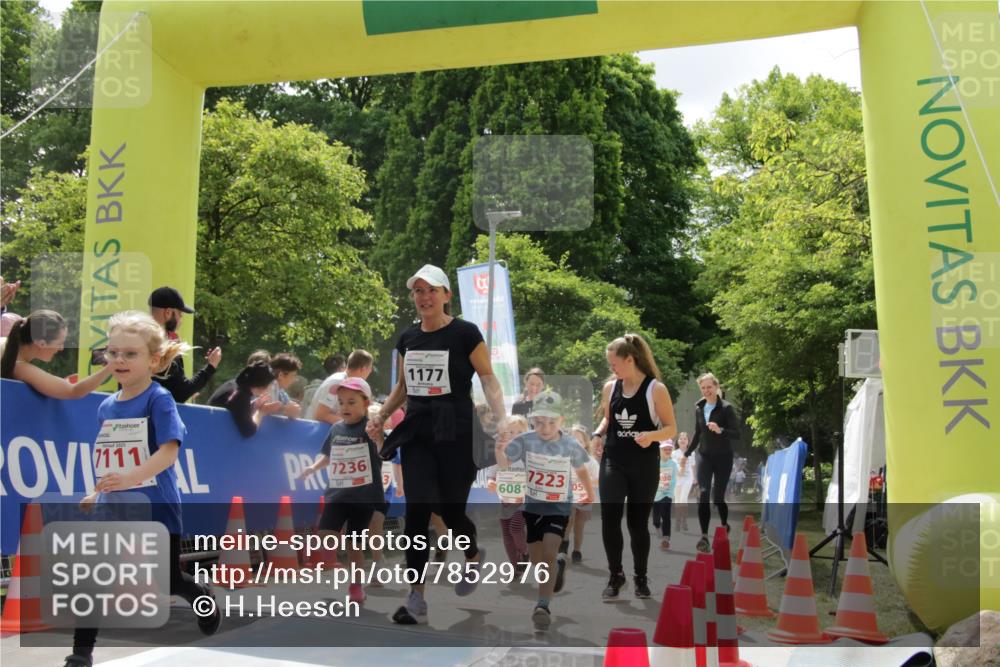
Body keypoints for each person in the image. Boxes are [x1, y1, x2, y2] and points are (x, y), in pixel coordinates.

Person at [67, 310, 219, 667]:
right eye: (112, 352)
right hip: (115, 505)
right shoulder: (105, 406)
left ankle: (201, 597)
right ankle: (80, 653)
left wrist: (133, 478)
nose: (118, 360)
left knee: (166, 581)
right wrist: (98, 490)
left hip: (156, 506)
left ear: (153, 360)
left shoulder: (158, 399)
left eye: (130, 354)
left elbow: (169, 451)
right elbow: (110, 458)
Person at [371, 264, 506, 625]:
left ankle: (473, 555)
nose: (424, 297)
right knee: (417, 510)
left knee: (450, 511)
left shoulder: (465, 333)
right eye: (418, 291)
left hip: (456, 429)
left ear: (447, 295)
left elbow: (488, 378)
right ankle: (416, 597)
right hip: (418, 430)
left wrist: (502, 418)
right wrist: (382, 415)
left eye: (432, 290)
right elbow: (403, 386)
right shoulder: (408, 338)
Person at [496, 391, 595, 631]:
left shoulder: (570, 444)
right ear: (532, 420)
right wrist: (500, 459)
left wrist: (590, 496)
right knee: (538, 560)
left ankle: (542, 605)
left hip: (559, 509)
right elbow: (506, 465)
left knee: (550, 552)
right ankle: (558, 568)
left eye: (552, 422)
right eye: (540, 421)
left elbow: (581, 472)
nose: (546, 427)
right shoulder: (525, 440)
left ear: (562, 420)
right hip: (532, 507)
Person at [591, 333, 677, 601]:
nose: (611, 369)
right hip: (614, 460)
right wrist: (596, 434)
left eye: (614, 364)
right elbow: (608, 421)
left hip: (643, 464)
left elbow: (671, 428)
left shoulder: (656, 389)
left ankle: (641, 576)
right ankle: (615, 575)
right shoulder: (610, 388)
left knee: (637, 525)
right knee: (610, 518)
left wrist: (651, 436)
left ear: (630, 359)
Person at [297, 377, 384, 604]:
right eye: (341, 402)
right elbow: (327, 455)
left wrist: (379, 438)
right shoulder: (336, 428)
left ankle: (356, 586)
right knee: (326, 534)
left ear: (366, 403)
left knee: (354, 546)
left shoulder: (370, 429)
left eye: (351, 402)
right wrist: (313, 467)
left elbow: (384, 451)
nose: (344, 407)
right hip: (337, 493)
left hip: (363, 497)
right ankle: (338, 544)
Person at [683, 372, 741, 553]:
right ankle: (704, 537)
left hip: (724, 457)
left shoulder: (726, 408)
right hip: (704, 456)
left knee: (718, 498)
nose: (706, 390)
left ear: (716, 387)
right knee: (703, 493)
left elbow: (737, 433)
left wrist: (720, 429)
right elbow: (698, 433)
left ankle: (724, 524)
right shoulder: (699, 407)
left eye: (709, 387)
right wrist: (687, 453)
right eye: (703, 388)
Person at [1, 309, 114, 397]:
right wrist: (111, 366)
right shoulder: (20, 367)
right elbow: (73, 391)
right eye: (60, 343)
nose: (61, 348)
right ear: (41, 343)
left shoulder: (15, 361)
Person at [148, 286, 222, 403]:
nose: (180, 321)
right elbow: (181, 393)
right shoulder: (165, 347)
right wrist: (211, 366)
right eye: (180, 315)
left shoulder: (134, 338)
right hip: (152, 416)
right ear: (168, 313)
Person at [488, 415, 530, 570]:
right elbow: (492, 475)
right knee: (506, 535)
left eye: (520, 432)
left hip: (523, 502)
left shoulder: (528, 454)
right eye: (511, 432)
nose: (515, 435)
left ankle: (525, 552)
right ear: (502, 435)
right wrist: (491, 483)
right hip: (505, 501)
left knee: (515, 527)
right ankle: (516, 566)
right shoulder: (500, 455)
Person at [563, 424, 600, 564]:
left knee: (579, 525)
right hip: (569, 498)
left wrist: (587, 480)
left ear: (585, 444)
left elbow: (598, 480)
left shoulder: (590, 462)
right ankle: (564, 543)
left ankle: (577, 550)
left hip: (585, 498)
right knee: (568, 519)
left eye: (579, 441)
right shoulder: (564, 459)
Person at [306, 349, 373, 422]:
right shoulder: (337, 382)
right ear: (363, 369)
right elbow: (320, 415)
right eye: (370, 369)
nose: (370, 373)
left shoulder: (343, 380)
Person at [224, 361, 282, 437]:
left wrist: (254, 405)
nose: (271, 388)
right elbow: (249, 431)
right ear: (262, 386)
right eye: (270, 384)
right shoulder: (242, 395)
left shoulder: (236, 387)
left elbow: (237, 410)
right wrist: (261, 412)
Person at [653, 440, 679, 550]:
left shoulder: (673, 464)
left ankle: (666, 538)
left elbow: (674, 480)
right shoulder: (655, 463)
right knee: (656, 517)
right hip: (655, 495)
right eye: (665, 449)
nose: (667, 451)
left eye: (670, 449)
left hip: (667, 494)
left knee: (666, 515)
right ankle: (657, 526)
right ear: (660, 450)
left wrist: (669, 491)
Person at [672, 432, 695, 532]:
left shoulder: (692, 452)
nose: (682, 440)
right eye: (680, 438)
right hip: (677, 478)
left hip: (688, 477)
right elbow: (673, 466)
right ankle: (678, 521)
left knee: (683, 498)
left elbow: (693, 465)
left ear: (688, 441)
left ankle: (684, 521)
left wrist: (695, 477)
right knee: (677, 500)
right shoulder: (674, 453)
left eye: (685, 438)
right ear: (678, 441)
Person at [268, 352, 303, 418]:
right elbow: (261, 410)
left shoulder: (281, 392)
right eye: (293, 376)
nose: (295, 380)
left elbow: (290, 406)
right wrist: (285, 410)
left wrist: (293, 410)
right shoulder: (268, 386)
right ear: (281, 375)